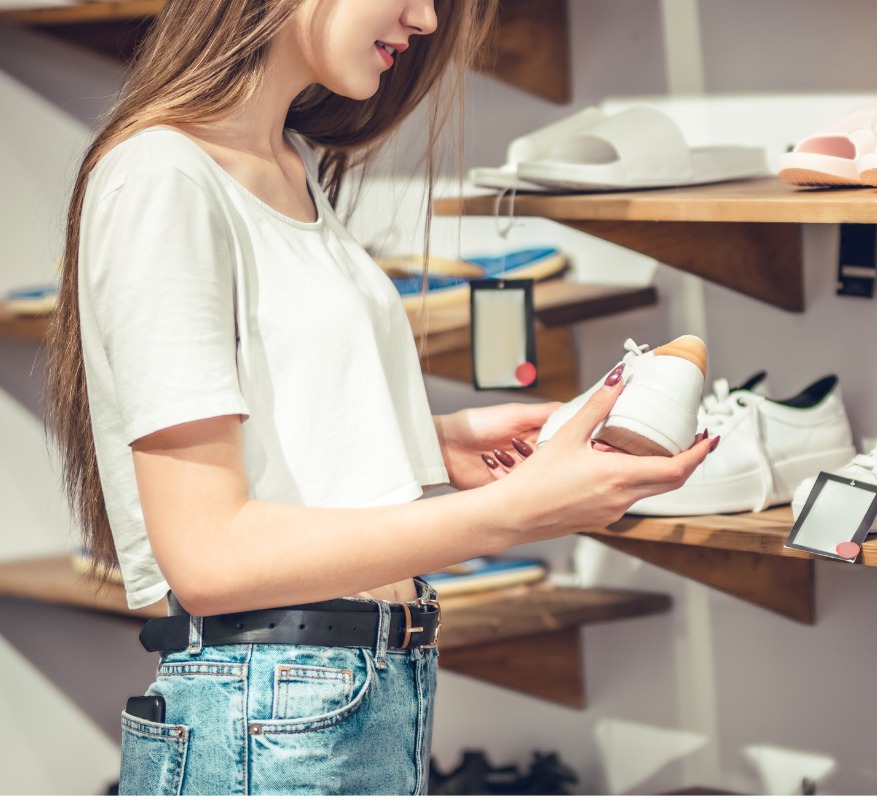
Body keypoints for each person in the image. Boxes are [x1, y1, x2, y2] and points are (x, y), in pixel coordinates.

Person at [45, 0, 712, 794]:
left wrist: (431, 442)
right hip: (273, 704)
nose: (426, 20)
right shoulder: (163, 176)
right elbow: (210, 558)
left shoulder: (285, 160)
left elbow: (268, 424)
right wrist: (515, 513)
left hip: (347, 688)